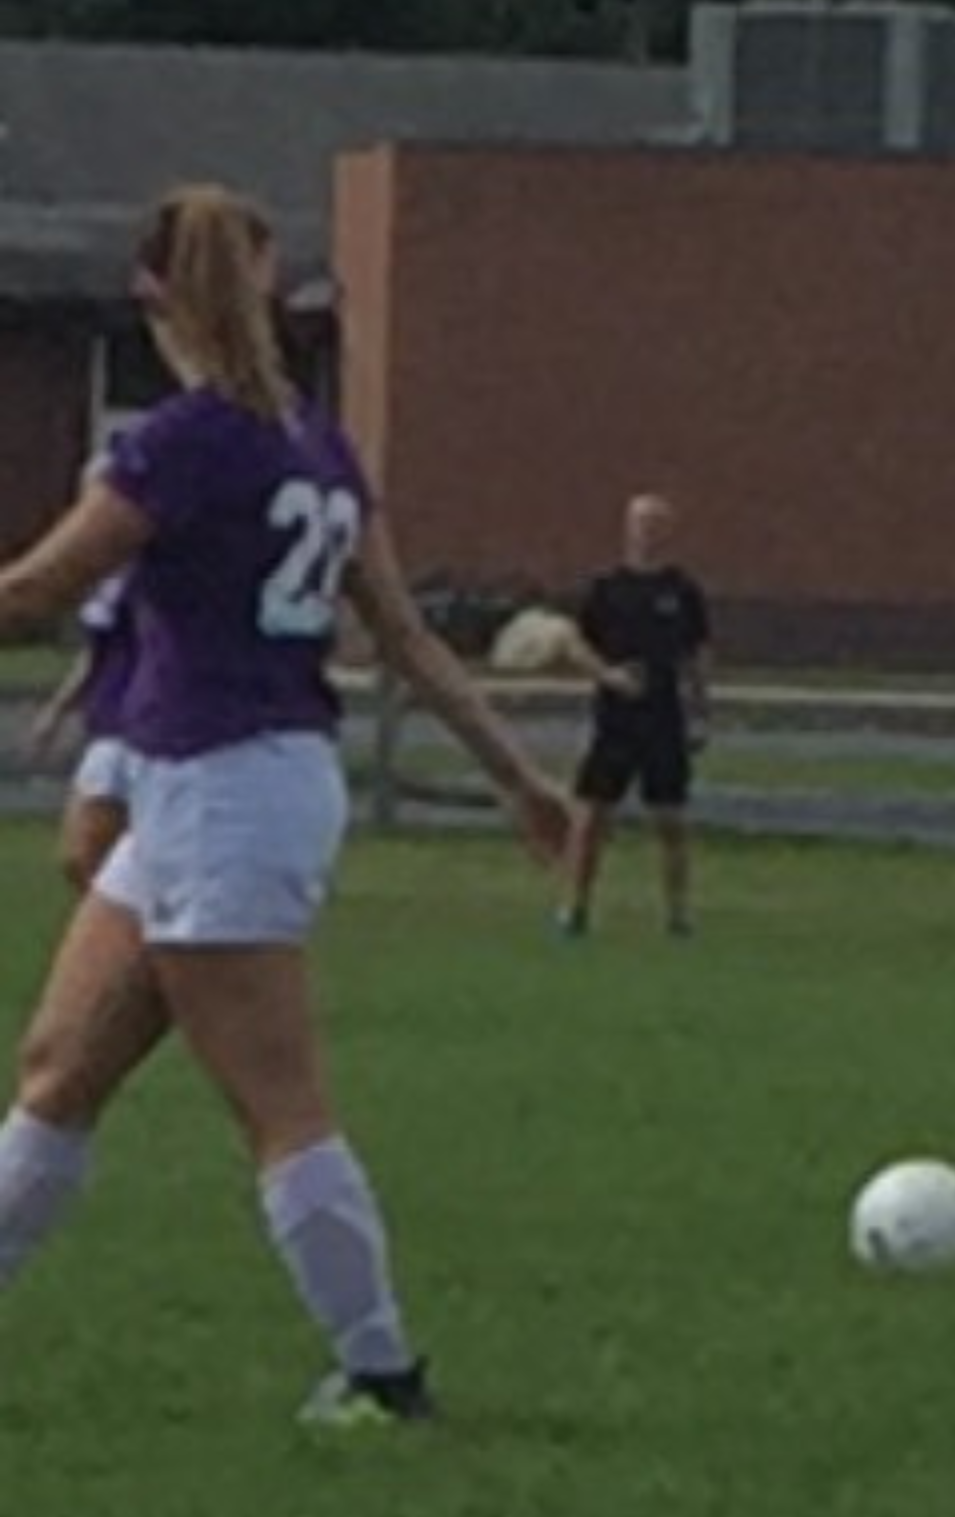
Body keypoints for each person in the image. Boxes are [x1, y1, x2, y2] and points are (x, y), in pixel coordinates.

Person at [0, 185, 571, 1424]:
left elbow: (38, 589)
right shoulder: (312, 440)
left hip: (223, 783)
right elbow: (408, 639)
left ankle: (382, 1372)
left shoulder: (182, 443)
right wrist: (519, 775)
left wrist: (517, 775)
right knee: (56, 1069)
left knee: (278, 1099)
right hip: (216, 783)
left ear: (152, 293)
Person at [555, 494, 712, 938]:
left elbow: (697, 655)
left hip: (664, 719)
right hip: (615, 720)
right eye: (640, 523)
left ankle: (678, 914)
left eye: (656, 524)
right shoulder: (605, 588)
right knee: (590, 818)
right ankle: (573, 909)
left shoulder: (682, 591)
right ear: (627, 528)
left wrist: (702, 711)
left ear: (668, 531)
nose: (647, 532)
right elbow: (575, 646)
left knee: (671, 820)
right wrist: (609, 675)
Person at [25, 466, 136, 891]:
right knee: (84, 858)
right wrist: (56, 712)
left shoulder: (157, 575)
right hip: (108, 718)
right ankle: (130, 941)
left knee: (85, 852)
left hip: (138, 723)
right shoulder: (110, 579)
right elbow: (97, 654)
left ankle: (130, 941)